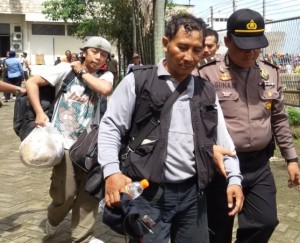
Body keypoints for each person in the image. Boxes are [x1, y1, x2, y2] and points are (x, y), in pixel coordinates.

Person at [98, 13, 244, 243]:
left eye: (196, 50)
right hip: (147, 195)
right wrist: (112, 172)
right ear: (166, 44)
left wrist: (235, 178)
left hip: (192, 197)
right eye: (182, 47)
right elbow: (110, 128)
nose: (188, 56)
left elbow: (223, 139)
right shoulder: (138, 82)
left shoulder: (205, 90)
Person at [197, 9, 300, 243]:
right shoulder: (207, 73)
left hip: (259, 165)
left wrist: (291, 159)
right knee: (218, 229)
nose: (251, 52)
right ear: (227, 41)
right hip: (220, 167)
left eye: (256, 46)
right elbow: (197, 122)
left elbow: (279, 118)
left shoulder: (270, 72)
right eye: (244, 46)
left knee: (265, 221)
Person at [26, 36, 114, 243]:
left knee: (89, 191)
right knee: (65, 193)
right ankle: (54, 217)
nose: (98, 57)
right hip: (62, 141)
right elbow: (31, 82)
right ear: (84, 52)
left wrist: (82, 72)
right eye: (94, 52)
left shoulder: (105, 75)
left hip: (89, 144)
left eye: (103, 55)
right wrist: (40, 113)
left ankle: (82, 236)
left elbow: (104, 89)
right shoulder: (64, 70)